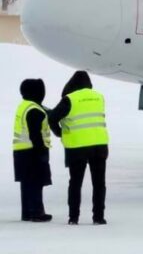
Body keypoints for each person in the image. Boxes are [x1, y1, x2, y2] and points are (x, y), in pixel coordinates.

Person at [48, 71, 108, 226]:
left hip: (77, 147)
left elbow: (52, 118)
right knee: (99, 184)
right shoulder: (99, 97)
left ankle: (73, 218)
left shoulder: (70, 99)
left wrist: (60, 133)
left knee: (75, 183)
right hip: (99, 146)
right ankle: (98, 217)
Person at [12, 78, 52, 222]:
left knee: (27, 182)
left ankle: (27, 212)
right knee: (36, 181)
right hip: (32, 150)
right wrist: (41, 149)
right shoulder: (35, 110)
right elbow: (35, 133)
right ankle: (36, 212)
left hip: (20, 150)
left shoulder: (24, 106)